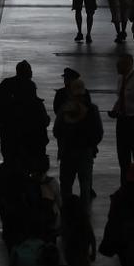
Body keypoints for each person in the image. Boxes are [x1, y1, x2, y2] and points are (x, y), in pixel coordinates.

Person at [53, 75, 103, 206]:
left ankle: (67, 215)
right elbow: (99, 133)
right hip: (85, 153)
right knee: (85, 186)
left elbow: (56, 131)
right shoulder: (92, 110)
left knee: (66, 186)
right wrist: (90, 144)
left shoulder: (64, 109)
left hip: (68, 153)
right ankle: (84, 216)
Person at [0, 61, 50, 167]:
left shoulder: (6, 85)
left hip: (9, 139)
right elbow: (41, 118)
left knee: (10, 166)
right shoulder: (30, 87)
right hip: (29, 141)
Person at [109, 54, 134, 172]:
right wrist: (115, 109)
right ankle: (125, 184)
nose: (116, 67)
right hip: (122, 120)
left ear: (127, 65)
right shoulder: (120, 79)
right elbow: (121, 97)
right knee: (123, 157)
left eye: (119, 65)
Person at [61, 193, 97, 266]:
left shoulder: (67, 220)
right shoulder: (84, 219)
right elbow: (92, 237)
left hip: (71, 251)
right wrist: (93, 252)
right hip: (82, 251)